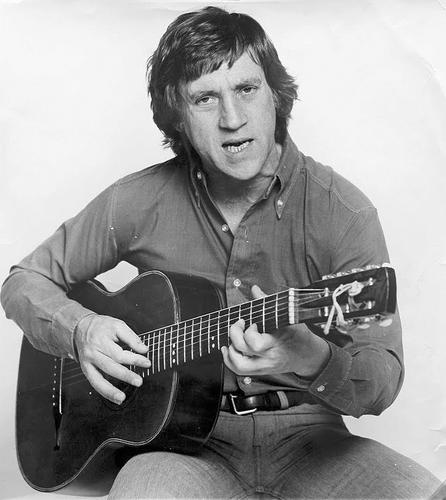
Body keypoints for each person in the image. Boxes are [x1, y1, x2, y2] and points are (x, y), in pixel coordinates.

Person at [1, 6, 441, 499]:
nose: (233, 119)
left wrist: (312, 358)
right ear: (178, 116)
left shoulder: (343, 212)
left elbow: (382, 379)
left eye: (247, 88)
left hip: (312, 440)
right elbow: (23, 281)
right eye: (205, 98)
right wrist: (80, 329)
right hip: (181, 450)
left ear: (275, 94)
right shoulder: (137, 200)